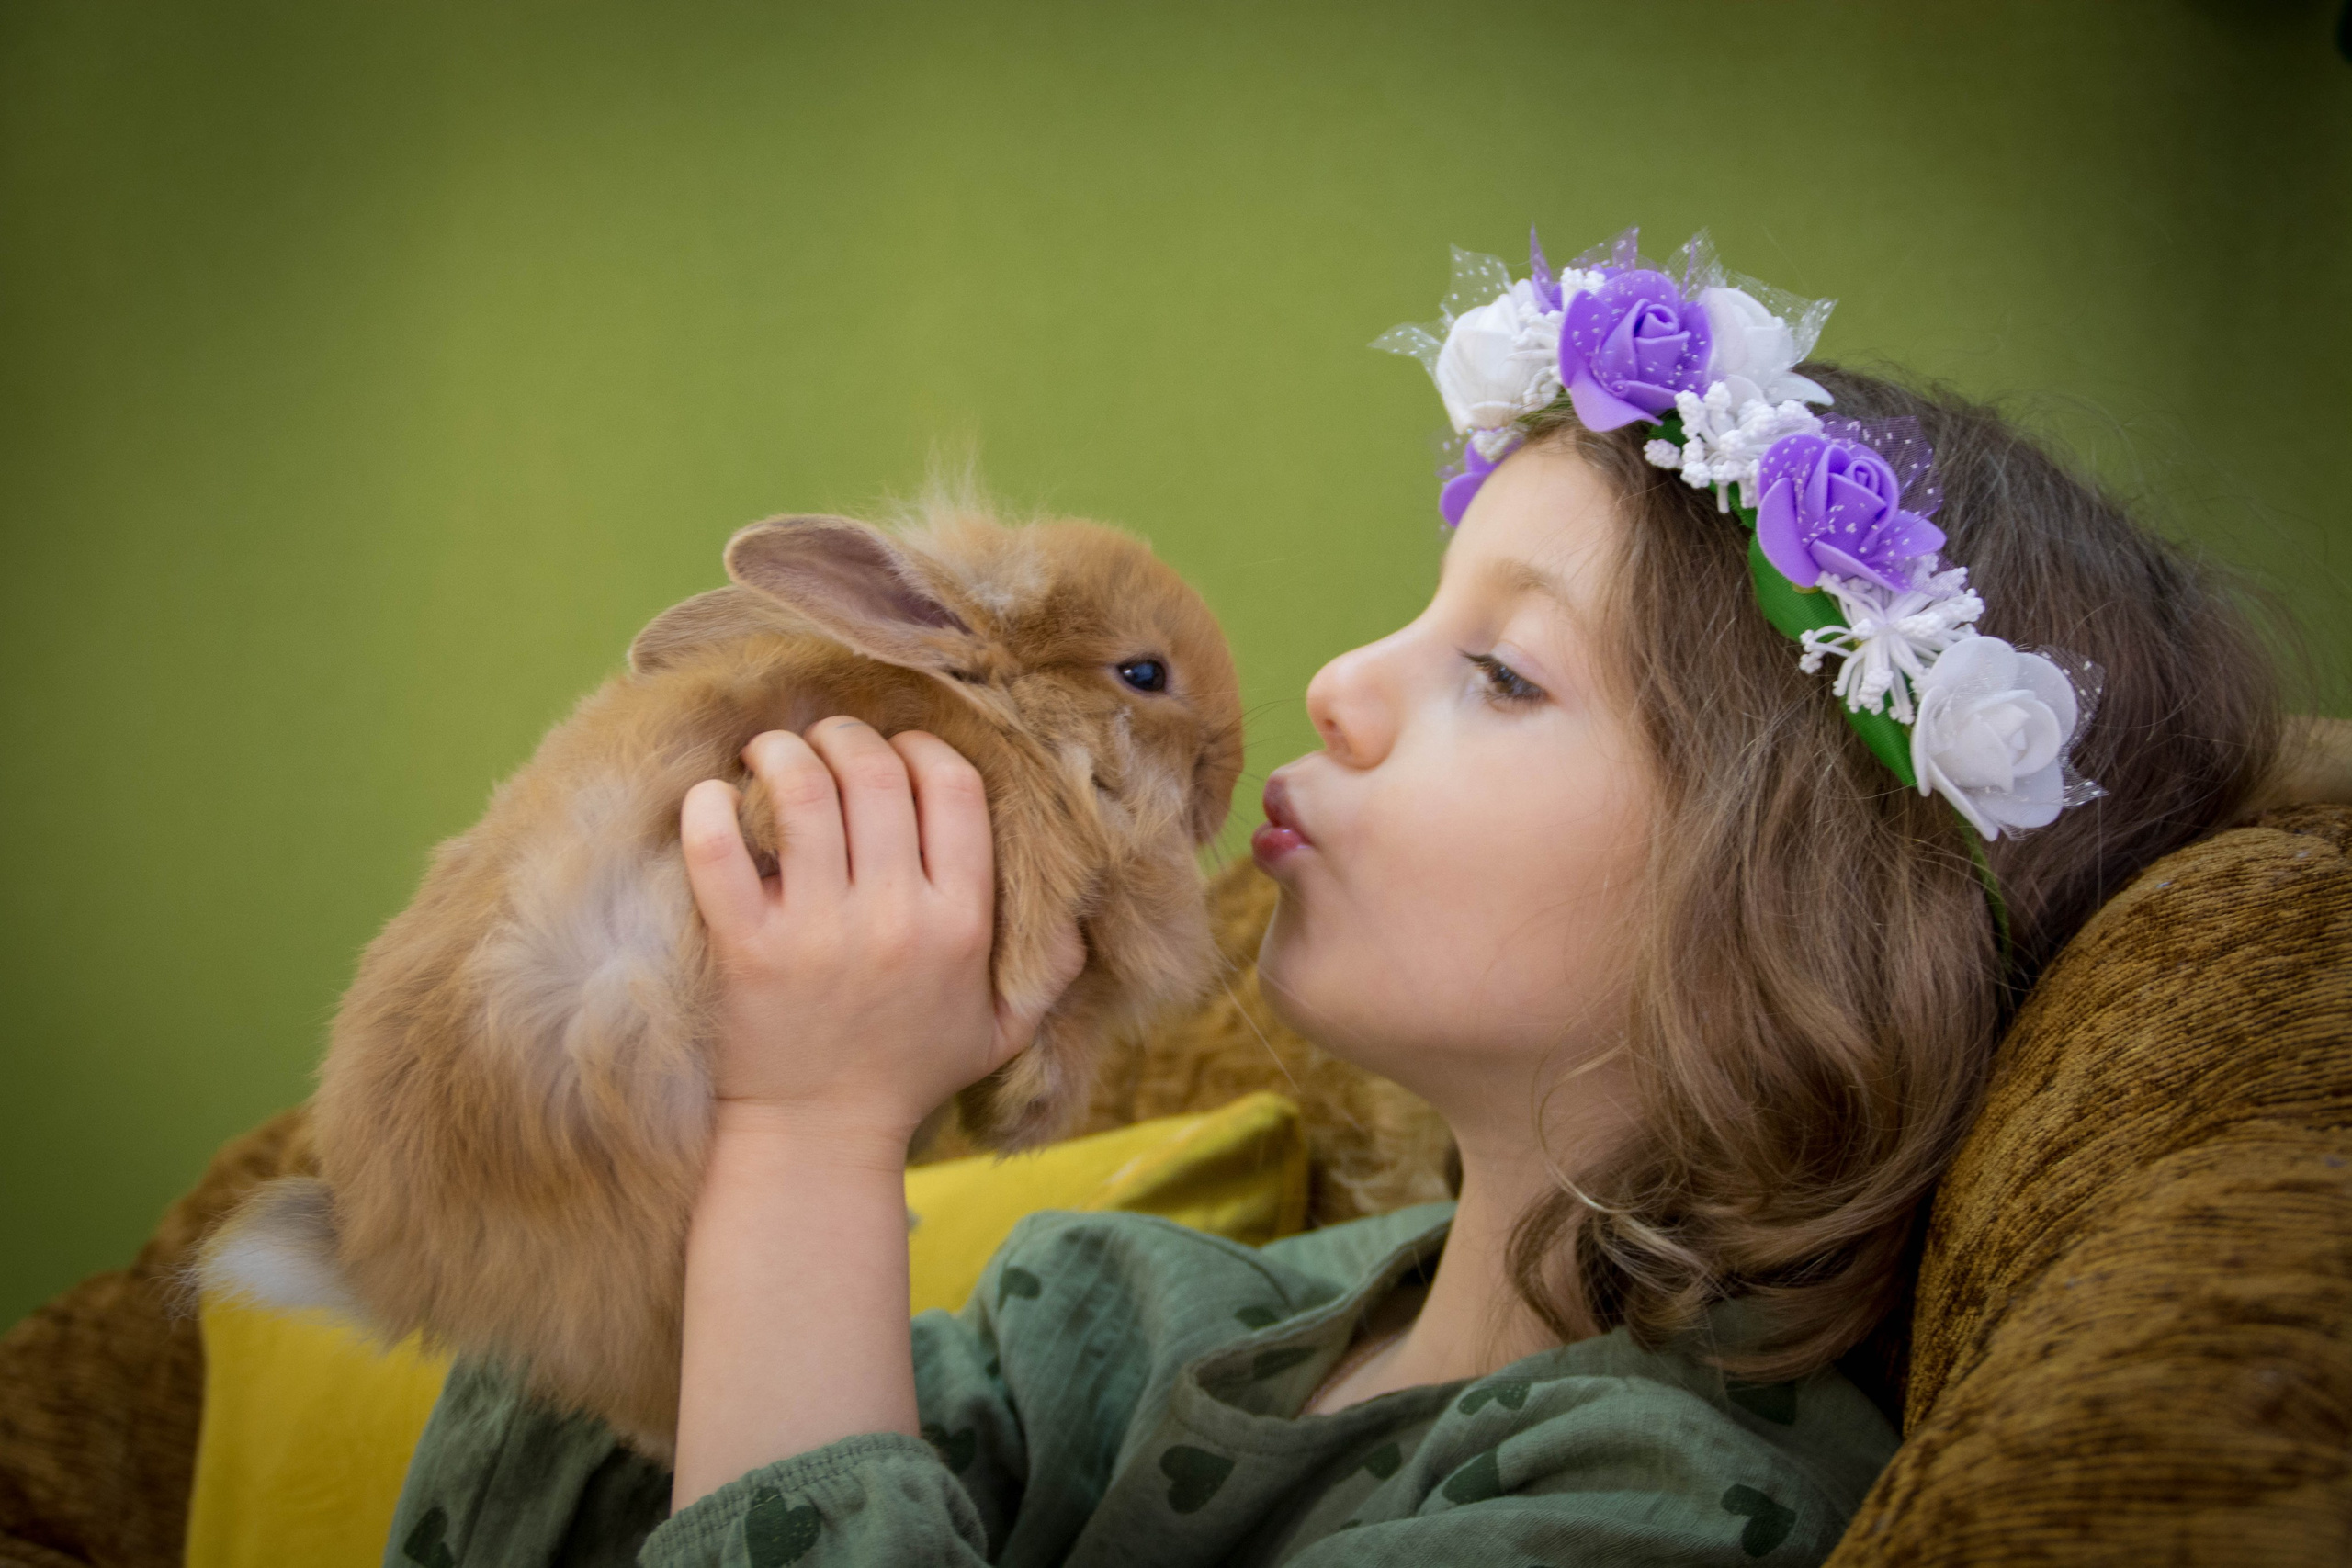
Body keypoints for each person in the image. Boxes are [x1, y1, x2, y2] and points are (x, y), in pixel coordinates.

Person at [384, 230, 2282, 1566]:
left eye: (1502, 673)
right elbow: (566, 1502)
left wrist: (810, 1142)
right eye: (1417, 611)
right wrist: (694, 1055)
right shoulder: (1126, 1316)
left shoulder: (1650, 1501)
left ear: (1779, 912)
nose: (1332, 683)